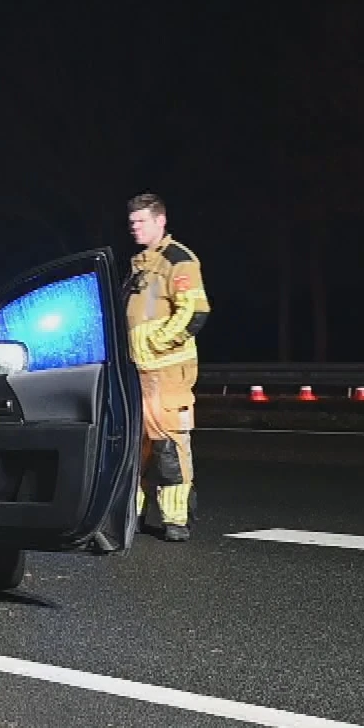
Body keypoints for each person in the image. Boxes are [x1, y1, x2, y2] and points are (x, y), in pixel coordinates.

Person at [124, 192, 210, 542]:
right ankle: (130, 514)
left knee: (169, 444)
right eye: (131, 222)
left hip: (168, 371)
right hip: (140, 371)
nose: (134, 227)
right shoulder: (141, 263)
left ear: (160, 221)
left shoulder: (178, 260)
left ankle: (176, 519)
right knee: (138, 445)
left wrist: (156, 343)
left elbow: (194, 312)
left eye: (141, 221)